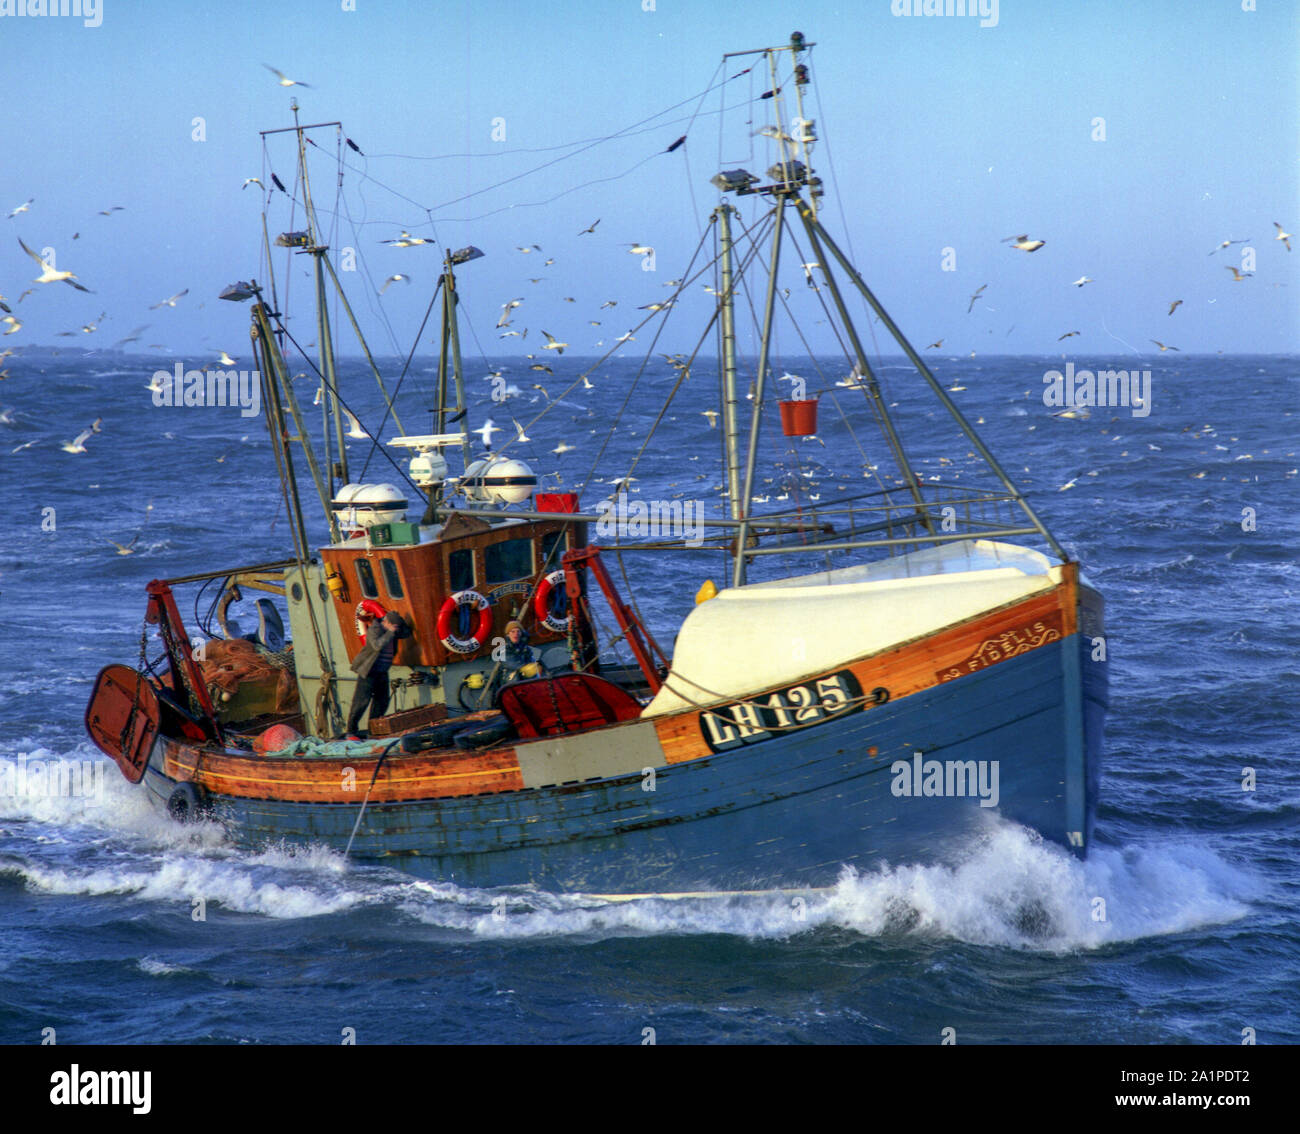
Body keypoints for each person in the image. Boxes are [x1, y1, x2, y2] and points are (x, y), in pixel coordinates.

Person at [346, 610, 411, 739]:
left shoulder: (391, 631)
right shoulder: (374, 629)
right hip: (369, 671)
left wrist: (399, 626)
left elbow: (406, 633)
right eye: (394, 627)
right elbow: (377, 646)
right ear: (386, 622)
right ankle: (351, 731)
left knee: (382, 702)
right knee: (361, 702)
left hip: (382, 672)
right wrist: (390, 632)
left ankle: (373, 729)